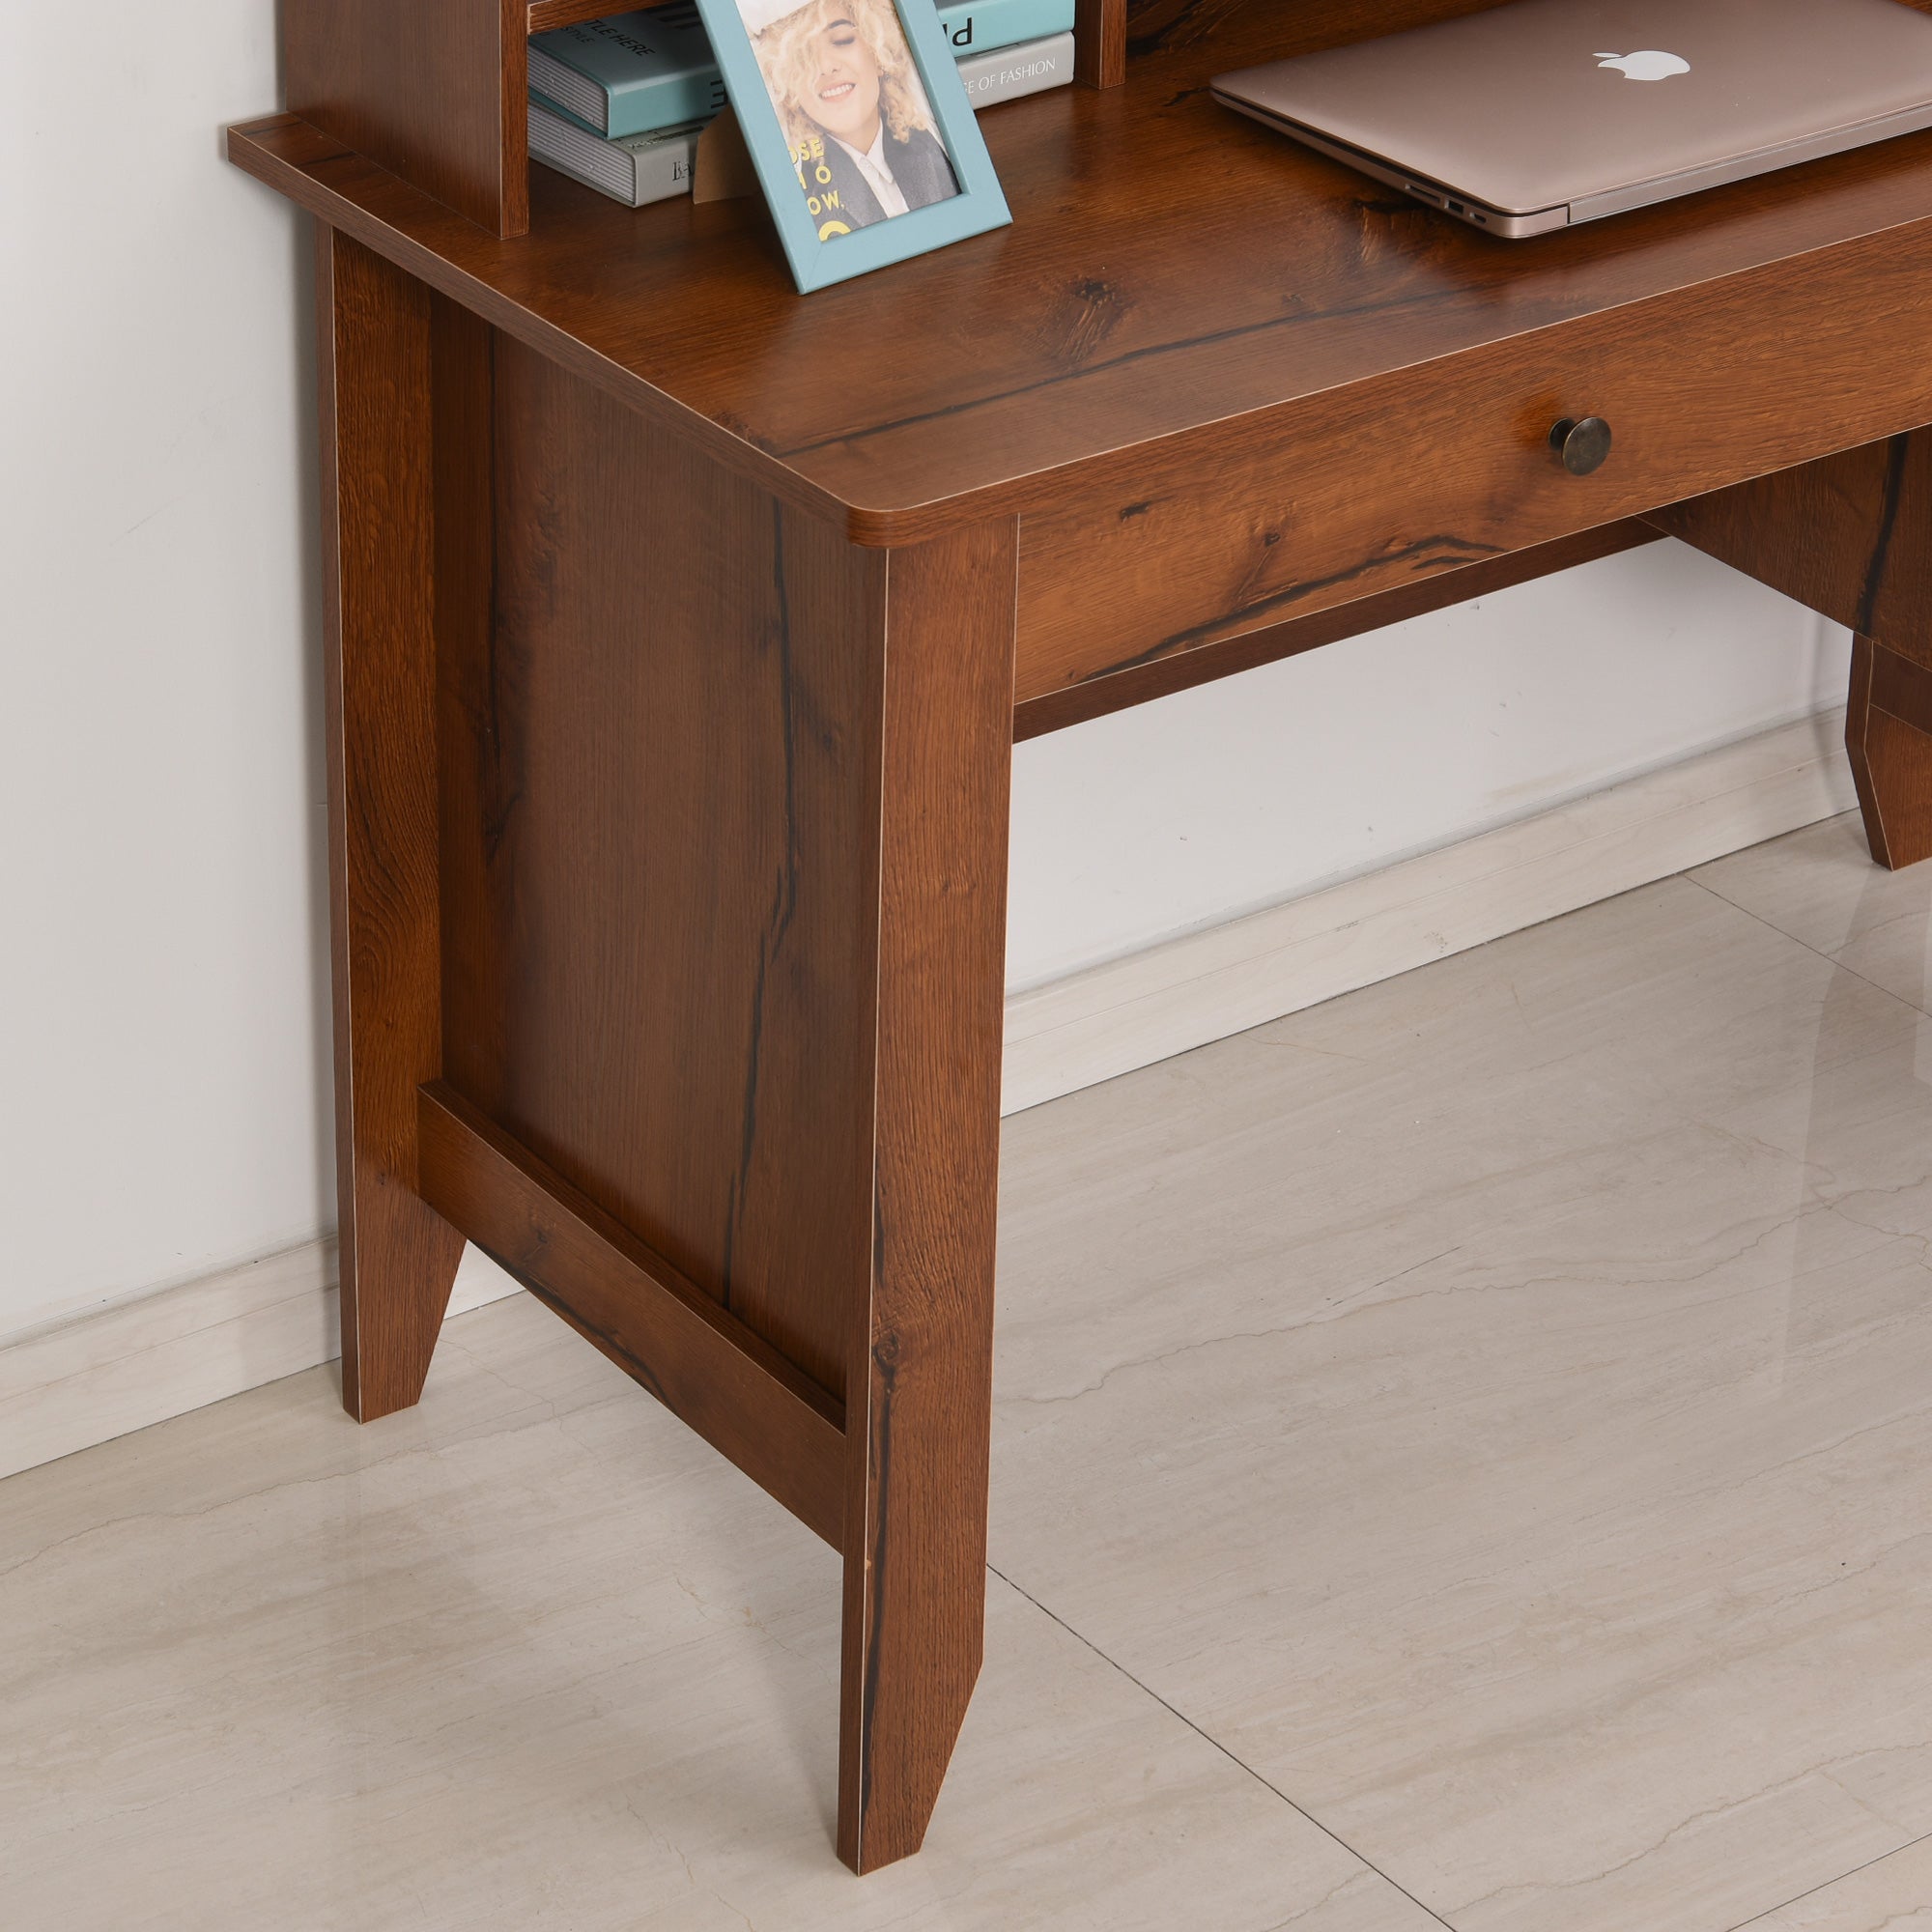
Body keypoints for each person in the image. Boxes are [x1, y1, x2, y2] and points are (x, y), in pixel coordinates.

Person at [741, 0, 958, 236]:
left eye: (842, 40)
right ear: (787, 84)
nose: (826, 66)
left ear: (878, 52)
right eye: (802, 54)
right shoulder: (793, 183)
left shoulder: (936, 135)